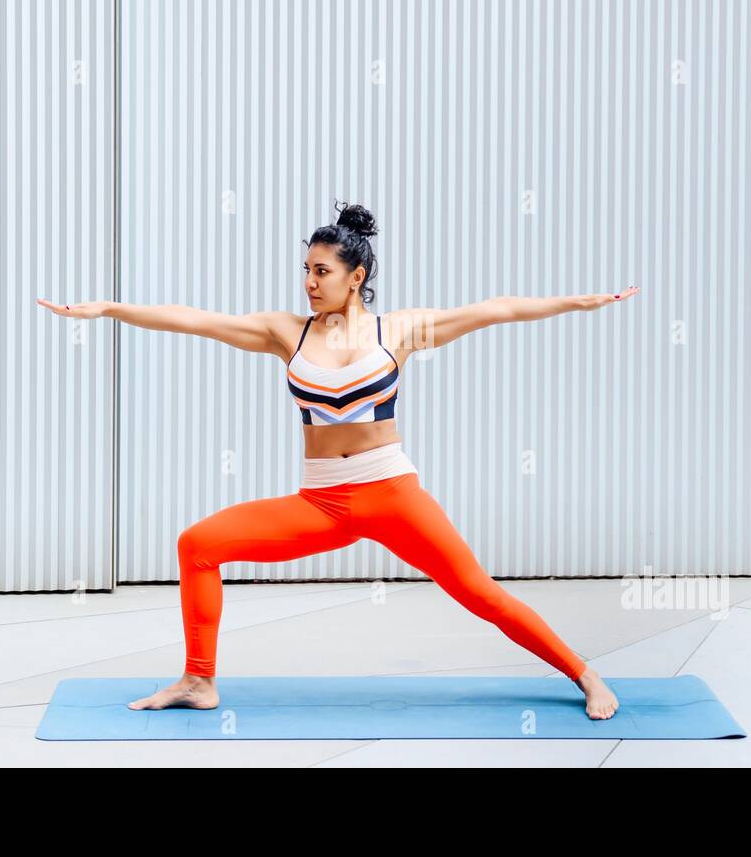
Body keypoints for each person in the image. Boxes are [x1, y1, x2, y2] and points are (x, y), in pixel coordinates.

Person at [37, 199, 639, 719]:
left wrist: (580, 303)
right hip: (321, 502)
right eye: (306, 270)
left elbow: (496, 308)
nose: (309, 282)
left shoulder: (396, 332)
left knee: (478, 592)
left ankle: (583, 673)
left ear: (356, 277)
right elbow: (198, 321)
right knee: (198, 545)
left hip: (392, 494)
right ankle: (198, 680)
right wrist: (110, 310)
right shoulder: (287, 333)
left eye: (322, 271)